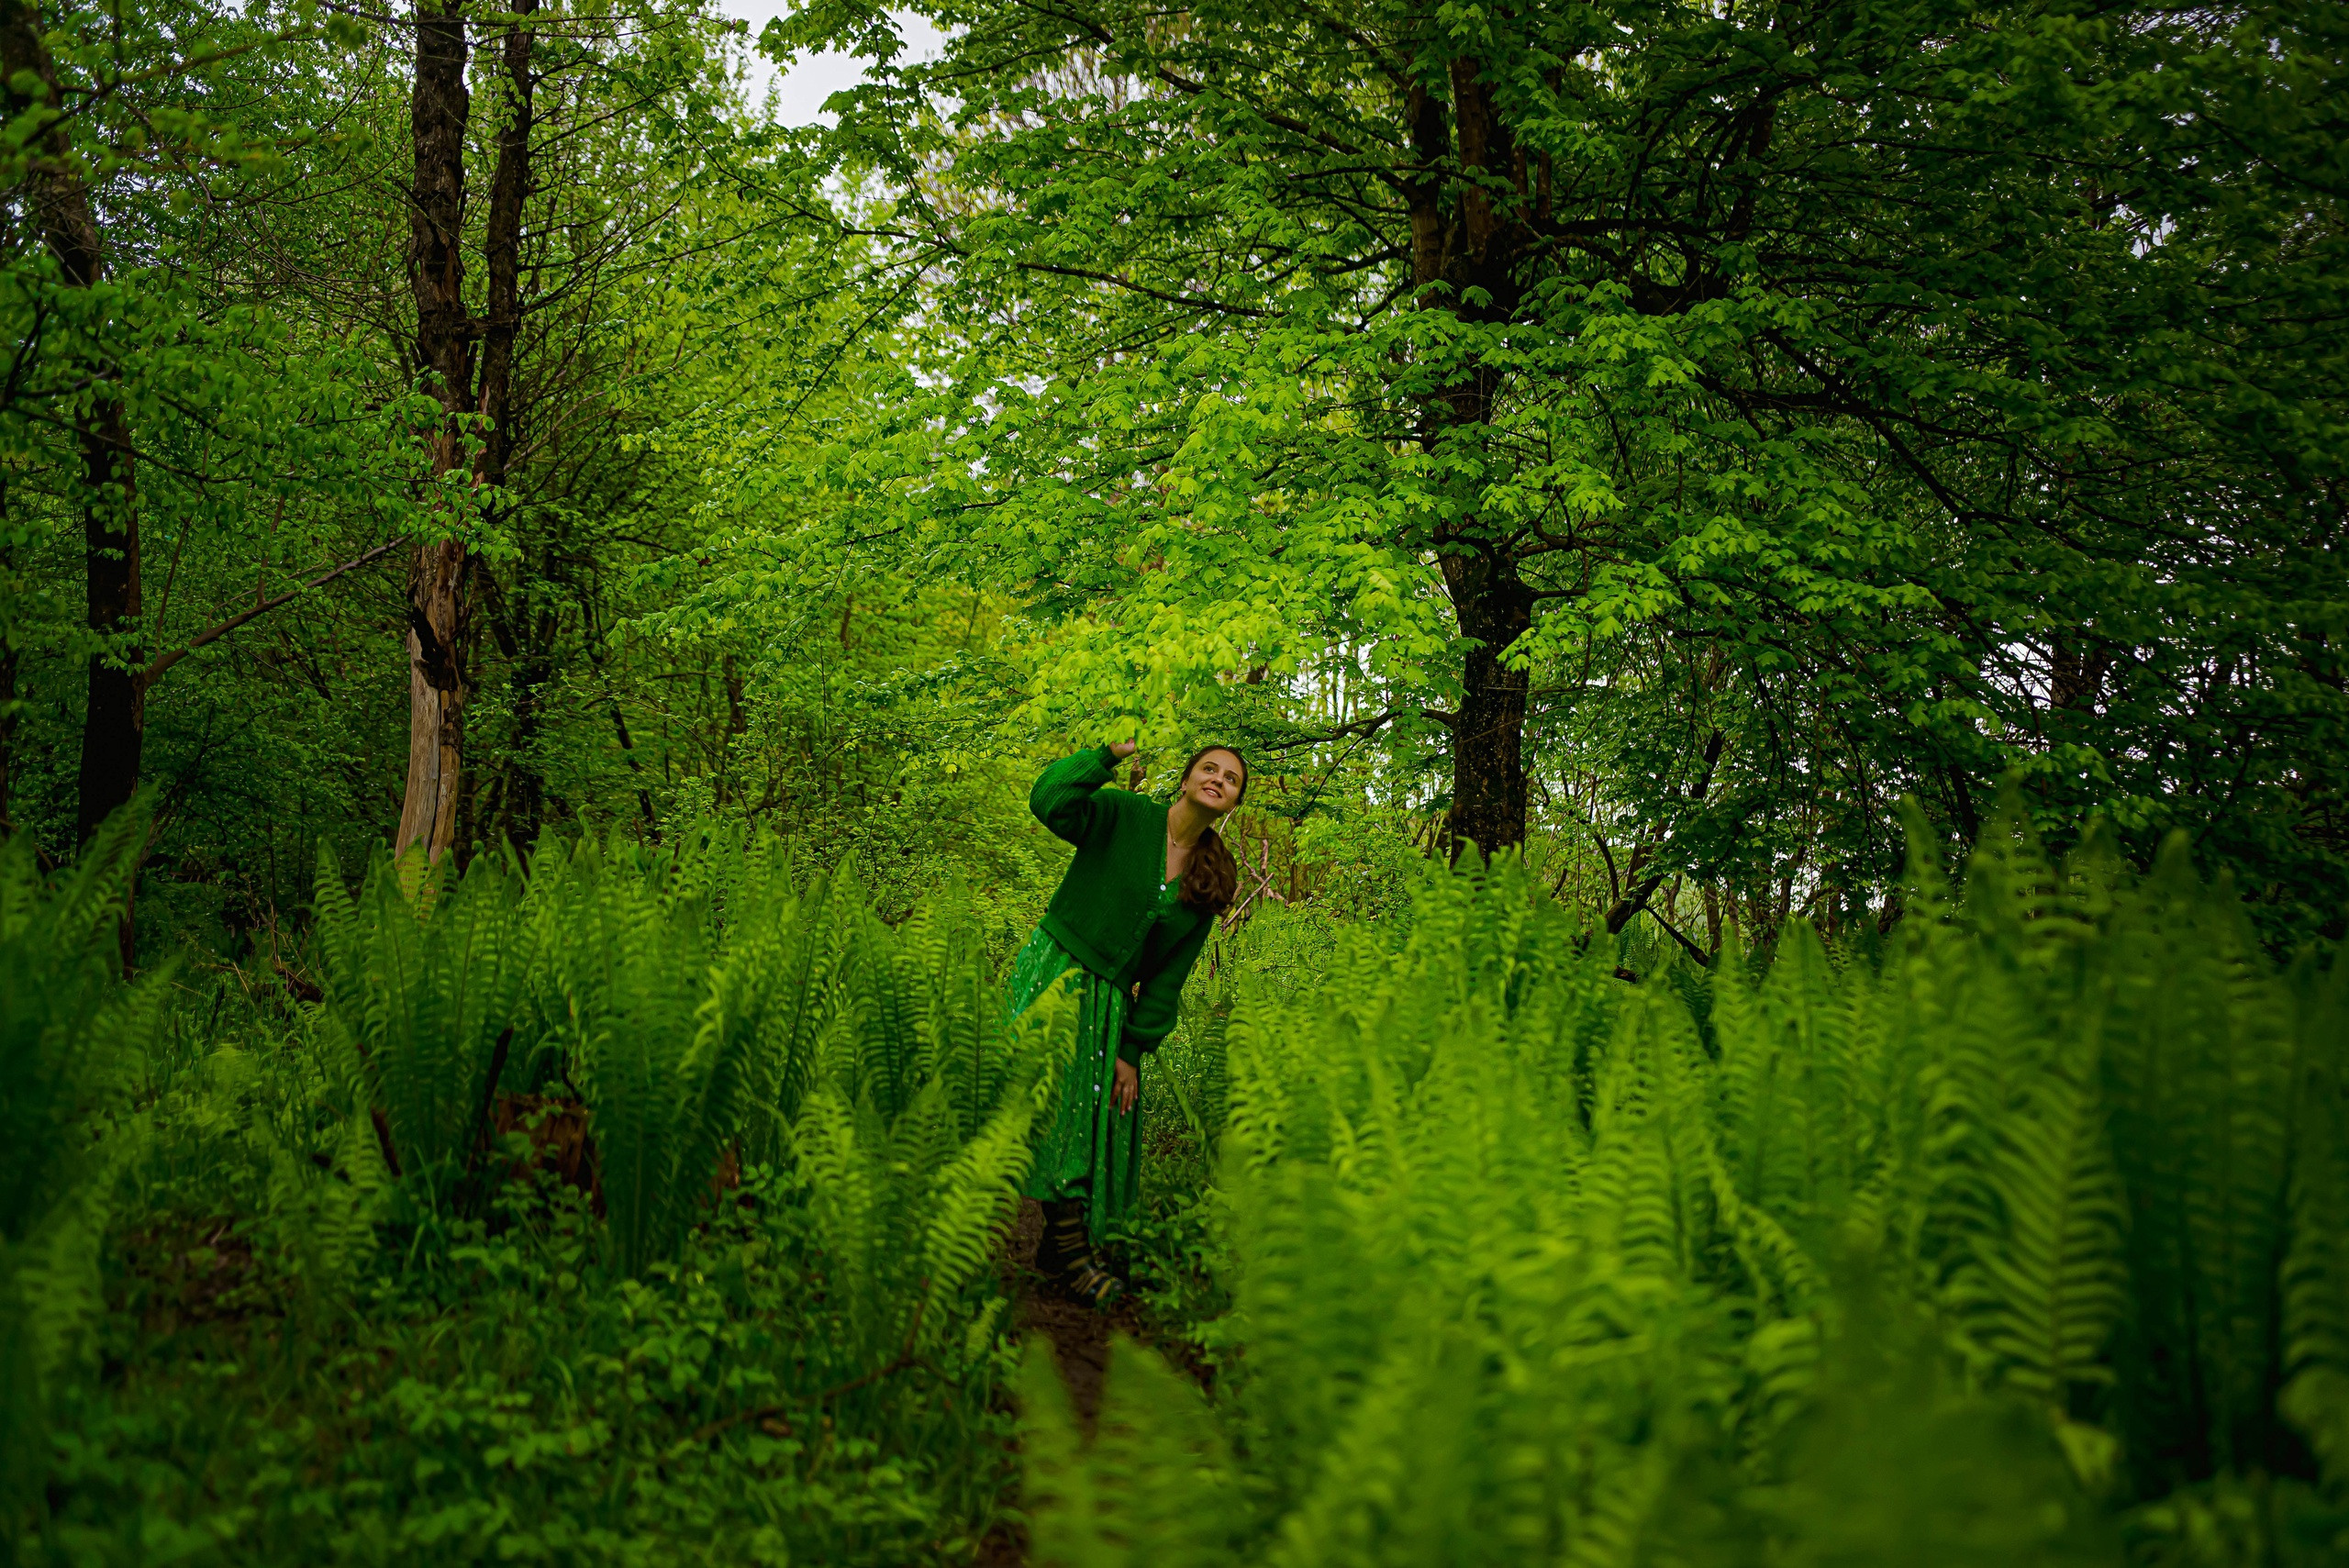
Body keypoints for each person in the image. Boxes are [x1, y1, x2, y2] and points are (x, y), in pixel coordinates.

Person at [1011, 740, 1247, 1307]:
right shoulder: (1125, 815)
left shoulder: (1211, 875)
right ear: (1186, 779)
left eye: (1231, 778)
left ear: (1235, 801)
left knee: (1103, 1115)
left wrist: (1132, 1051)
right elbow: (1050, 800)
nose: (1217, 779)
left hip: (1111, 1002)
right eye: (1208, 769)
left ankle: (1064, 1242)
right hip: (1056, 971)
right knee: (1058, 1105)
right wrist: (1104, 756)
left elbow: (1169, 977)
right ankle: (1069, 1251)